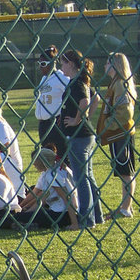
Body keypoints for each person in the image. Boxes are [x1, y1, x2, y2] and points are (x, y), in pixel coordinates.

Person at [59, 49, 103, 228]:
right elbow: (96, 98)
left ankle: (87, 219)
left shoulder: (77, 83)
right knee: (88, 176)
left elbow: (85, 102)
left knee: (80, 178)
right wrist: (84, 118)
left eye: (63, 63)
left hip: (79, 136)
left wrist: (77, 120)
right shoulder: (80, 81)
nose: (61, 66)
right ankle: (97, 215)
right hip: (85, 135)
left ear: (71, 64)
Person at [96, 52, 138, 219]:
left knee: (126, 171)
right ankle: (125, 205)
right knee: (123, 171)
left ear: (116, 65)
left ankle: (126, 207)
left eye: (108, 63)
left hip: (120, 134)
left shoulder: (120, 84)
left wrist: (108, 126)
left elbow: (124, 112)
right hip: (116, 134)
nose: (105, 66)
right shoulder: (115, 83)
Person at [16, 147, 78, 230]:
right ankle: (30, 222)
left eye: (35, 161)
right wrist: (26, 211)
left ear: (43, 162)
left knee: (18, 217)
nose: (33, 164)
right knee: (23, 216)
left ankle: (29, 222)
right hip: (62, 212)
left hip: (61, 214)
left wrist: (74, 223)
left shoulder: (51, 175)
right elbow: (43, 198)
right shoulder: (55, 169)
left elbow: (67, 198)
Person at [35, 45, 69, 156]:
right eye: (39, 64)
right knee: (47, 156)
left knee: (59, 155)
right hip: (43, 124)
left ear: (53, 63)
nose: (41, 67)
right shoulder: (44, 78)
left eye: (43, 64)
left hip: (55, 124)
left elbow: (73, 94)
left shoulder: (61, 77)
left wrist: (64, 114)